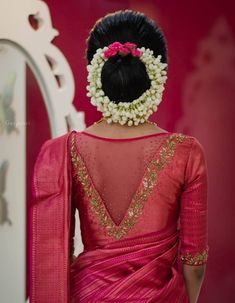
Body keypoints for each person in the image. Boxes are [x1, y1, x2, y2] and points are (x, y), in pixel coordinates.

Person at [30, 9, 209, 303]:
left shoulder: (64, 151)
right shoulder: (185, 153)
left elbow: (52, 257)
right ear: (156, 74)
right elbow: (195, 263)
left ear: (96, 73)